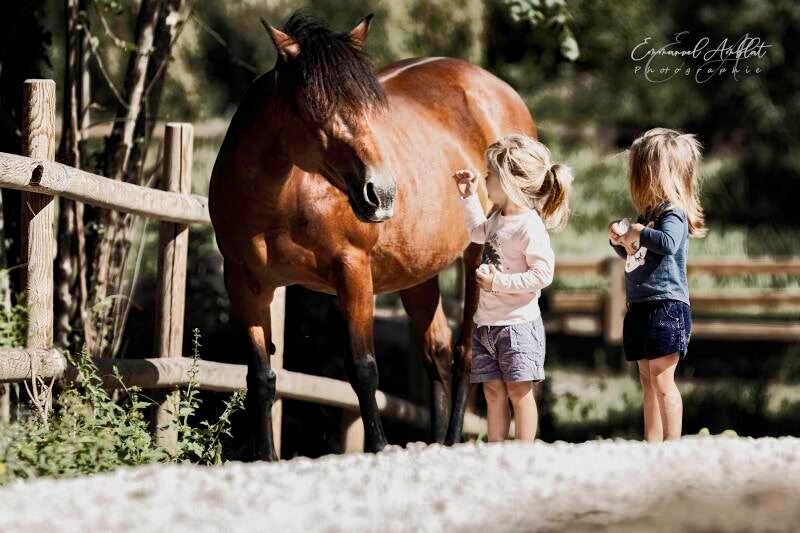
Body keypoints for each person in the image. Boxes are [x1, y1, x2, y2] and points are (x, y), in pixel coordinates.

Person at [453, 133, 573, 442]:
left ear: (509, 181)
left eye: (489, 175)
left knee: (520, 391)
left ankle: (523, 453)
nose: (485, 178)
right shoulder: (496, 217)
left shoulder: (529, 225)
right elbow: (478, 233)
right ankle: (497, 451)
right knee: (493, 392)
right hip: (487, 325)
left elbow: (543, 274)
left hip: (518, 326)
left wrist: (498, 283)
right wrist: (468, 196)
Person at [607, 127, 708, 442]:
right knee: (647, 380)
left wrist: (638, 230)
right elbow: (638, 250)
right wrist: (621, 240)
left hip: (666, 306)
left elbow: (667, 243)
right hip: (641, 305)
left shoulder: (673, 213)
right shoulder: (648, 214)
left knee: (663, 380)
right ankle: (652, 442)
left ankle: (671, 443)